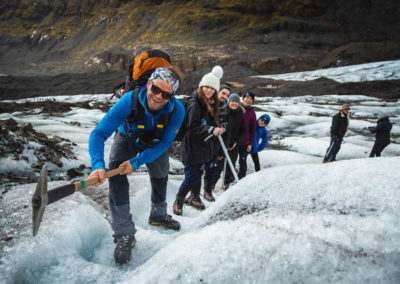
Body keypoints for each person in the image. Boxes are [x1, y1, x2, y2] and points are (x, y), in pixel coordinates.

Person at [88, 67, 184, 265]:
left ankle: (158, 215)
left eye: (166, 94)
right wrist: (98, 165)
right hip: (127, 137)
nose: (158, 97)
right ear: (149, 83)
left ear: (172, 96)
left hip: (155, 144)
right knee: (116, 175)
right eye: (156, 89)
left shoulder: (177, 110)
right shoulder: (128, 101)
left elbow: (166, 143)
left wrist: (137, 162)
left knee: (160, 173)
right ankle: (124, 234)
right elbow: (98, 134)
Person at [173, 66, 225, 215]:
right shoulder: (195, 104)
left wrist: (217, 127)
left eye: (212, 88)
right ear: (201, 86)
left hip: (201, 146)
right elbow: (192, 126)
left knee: (198, 172)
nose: (209, 90)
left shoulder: (209, 104)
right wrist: (210, 130)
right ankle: (179, 199)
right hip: (192, 146)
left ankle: (194, 198)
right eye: (206, 87)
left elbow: (208, 123)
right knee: (192, 176)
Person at [203, 84, 231, 201]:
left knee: (211, 169)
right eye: (223, 93)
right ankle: (193, 194)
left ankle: (207, 191)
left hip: (216, 144)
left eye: (227, 95)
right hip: (203, 141)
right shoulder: (207, 104)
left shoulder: (227, 110)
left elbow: (228, 127)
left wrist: (222, 150)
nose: (225, 96)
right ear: (217, 92)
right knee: (196, 169)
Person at [221, 93, 246, 190]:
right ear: (229, 101)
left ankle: (226, 182)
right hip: (222, 142)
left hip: (234, 143)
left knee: (231, 162)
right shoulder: (223, 111)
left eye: (236, 102)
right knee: (218, 163)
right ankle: (212, 182)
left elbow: (243, 130)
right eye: (232, 101)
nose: (234, 103)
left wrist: (236, 142)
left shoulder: (240, 113)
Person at [238, 92, 257, 179]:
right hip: (234, 140)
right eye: (247, 97)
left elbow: (253, 129)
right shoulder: (236, 107)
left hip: (245, 142)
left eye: (251, 99)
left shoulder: (252, 112)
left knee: (243, 161)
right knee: (230, 159)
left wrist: (250, 143)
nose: (248, 100)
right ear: (243, 98)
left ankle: (241, 179)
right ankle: (227, 180)